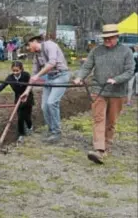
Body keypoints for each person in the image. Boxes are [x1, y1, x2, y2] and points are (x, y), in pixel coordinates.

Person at [73, 24, 135, 164]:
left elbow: (130, 71)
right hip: (98, 89)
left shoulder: (126, 52)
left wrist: (116, 79)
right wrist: (79, 77)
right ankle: (99, 149)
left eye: (110, 38)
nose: (107, 40)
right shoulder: (96, 51)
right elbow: (87, 66)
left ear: (117, 37)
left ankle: (107, 145)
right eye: (105, 38)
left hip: (117, 92)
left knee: (111, 121)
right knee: (98, 119)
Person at [21, 33, 70, 143]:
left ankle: (56, 132)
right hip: (50, 77)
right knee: (44, 106)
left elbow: (52, 63)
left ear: (34, 41)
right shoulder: (36, 56)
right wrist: (27, 91)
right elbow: (33, 74)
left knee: (51, 103)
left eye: (28, 45)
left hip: (61, 75)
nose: (27, 48)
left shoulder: (49, 45)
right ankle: (51, 130)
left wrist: (38, 76)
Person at [0, 61, 34, 143]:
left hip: (27, 96)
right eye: (13, 71)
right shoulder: (10, 78)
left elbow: (31, 85)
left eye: (17, 71)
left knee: (27, 116)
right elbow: (1, 87)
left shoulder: (26, 75)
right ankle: (21, 134)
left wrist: (26, 93)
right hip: (18, 97)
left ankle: (30, 127)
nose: (15, 73)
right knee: (20, 116)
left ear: (21, 69)